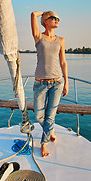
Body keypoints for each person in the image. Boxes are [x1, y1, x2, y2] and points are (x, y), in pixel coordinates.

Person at [31, 11, 69, 157]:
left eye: (58, 18)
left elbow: (63, 62)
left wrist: (66, 82)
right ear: (45, 21)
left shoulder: (61, 40)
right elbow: (33, 14)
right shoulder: (38, 37)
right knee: (39, 116)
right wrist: (44, 11)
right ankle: (50, 129)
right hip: (40, 83)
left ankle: (44, 143)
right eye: (53, 18)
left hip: (57, 82)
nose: (57, 20)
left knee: (51, 115)